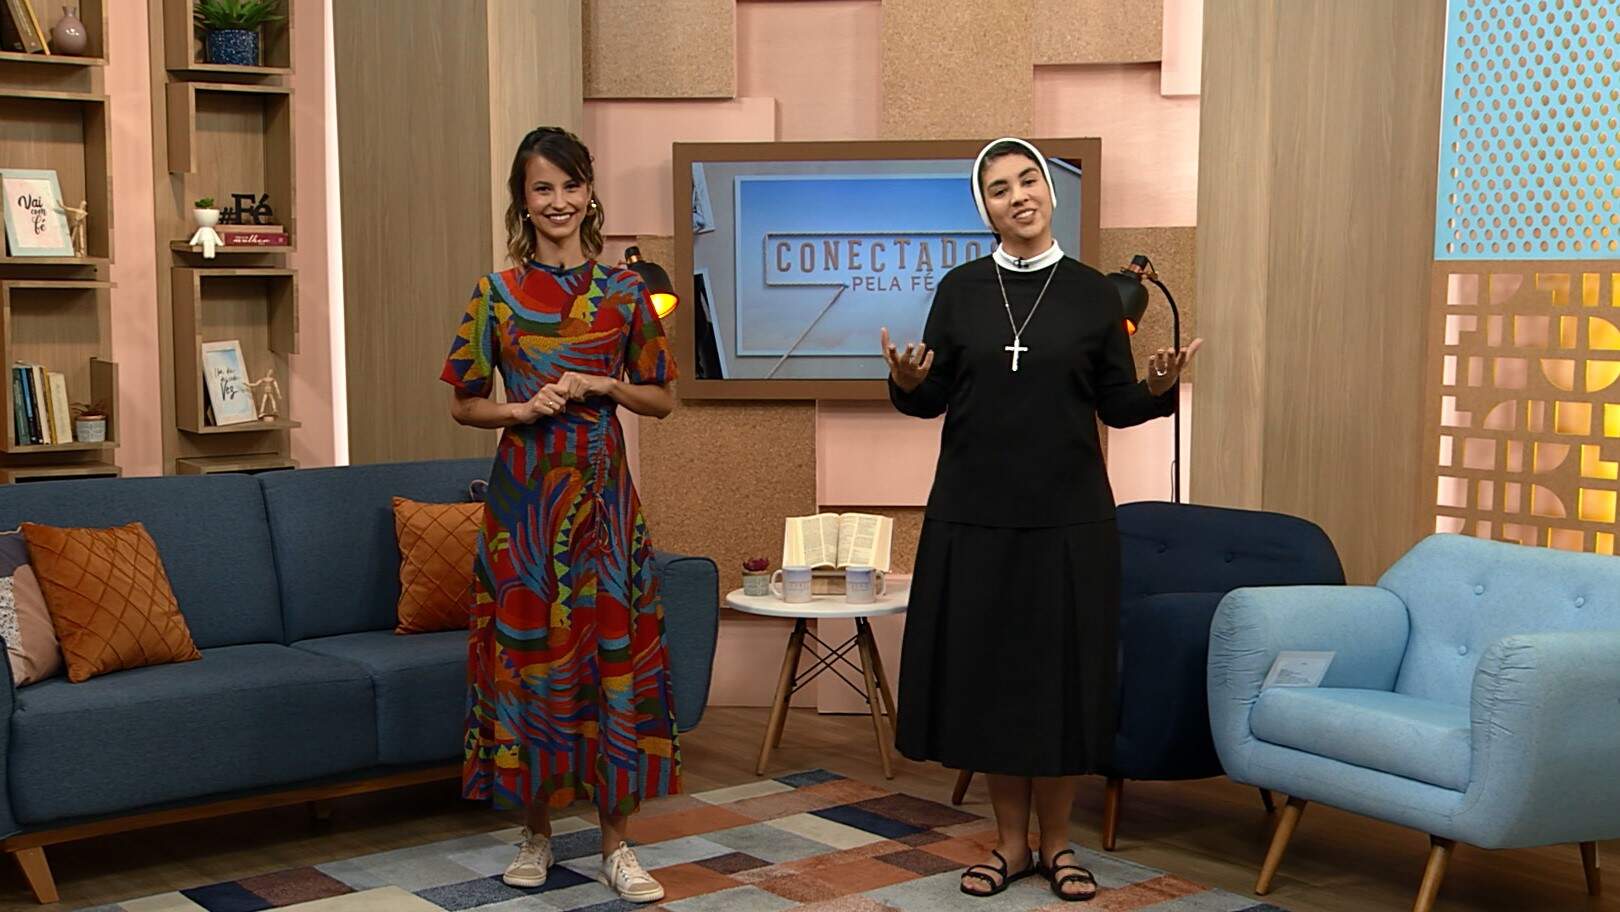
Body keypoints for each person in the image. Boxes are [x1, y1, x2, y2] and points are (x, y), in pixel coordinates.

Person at [882, 137, 1202, 902]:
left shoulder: (1094, 295)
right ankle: (1009, 846)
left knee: (1058, 685)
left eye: (1028, 180)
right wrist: (907, 382)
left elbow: (1116, 405)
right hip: (975, 516)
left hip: (1069, 520)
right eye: (999, 189)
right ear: (985, 209)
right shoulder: (960, 289)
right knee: (995, 684)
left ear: (1050, 193)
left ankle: (1058, 845)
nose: (1018, 195)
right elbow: (933, 399)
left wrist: (1159, 389)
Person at [442, 126, 679, 905]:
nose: (558, 202)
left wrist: (602, 385)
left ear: (589, 194)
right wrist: (519, 408)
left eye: (570, 186)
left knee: (613, 659)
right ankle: (536, 833)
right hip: (523, 510)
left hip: (605, 507)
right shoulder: (496, 292)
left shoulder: (626, 292)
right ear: (523, 199)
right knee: (530, 658)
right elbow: (464, 404)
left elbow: (661, 398)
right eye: (542, 188)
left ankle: (617, 845)